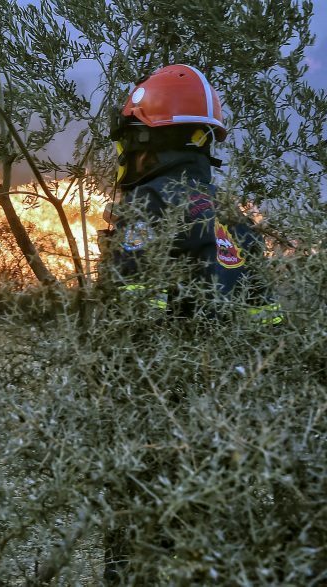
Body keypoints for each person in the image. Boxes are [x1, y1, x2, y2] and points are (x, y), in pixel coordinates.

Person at [97, 64, 282, 583]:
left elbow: (126, 312)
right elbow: (268, 322)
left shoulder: (146, 206)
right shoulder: (236, 219)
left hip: (155, 412)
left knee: (135, 540)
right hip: (227, 417)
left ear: (145, 140)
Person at [100, 63, 280, 324]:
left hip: (176, 360)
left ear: (144, 142)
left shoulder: (148, 201)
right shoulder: (230, 210)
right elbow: (267, 318)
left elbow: (133, 316)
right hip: (234, 362)